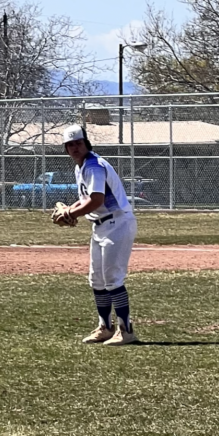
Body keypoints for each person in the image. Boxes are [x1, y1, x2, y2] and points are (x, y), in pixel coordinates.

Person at [61, 124, 141, 344]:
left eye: (78, 143)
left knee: (113, 278)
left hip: (117, 223)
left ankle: (126, 331)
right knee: (97, 279)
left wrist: (71, 213)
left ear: (87, 143)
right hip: (100, 225)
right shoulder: (82, 167)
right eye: (70, 144)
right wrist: (71, 209)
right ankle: (105, 327)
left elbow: (96, 200)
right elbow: (88, 199)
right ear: (66, 149)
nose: (75, 148)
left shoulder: (94, 166)